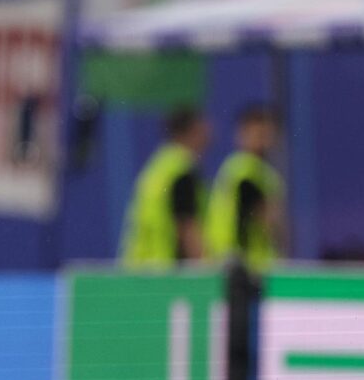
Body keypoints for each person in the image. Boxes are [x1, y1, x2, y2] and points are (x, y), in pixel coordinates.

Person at [120, 107, 210, 268]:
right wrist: (207, 269)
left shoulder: (158, 166)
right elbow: (187, 227)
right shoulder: (181, 170)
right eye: (202, 127)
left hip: (138, 266)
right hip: (166, 271)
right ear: (192, 131)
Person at [205, 104, 285, 271]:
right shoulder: (249, 173)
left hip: (229, 262)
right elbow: (269, 221)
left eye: (266, 134)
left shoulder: (233, 168)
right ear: (242, 134)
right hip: (247, 266)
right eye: (258, 134)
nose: (263, 141)